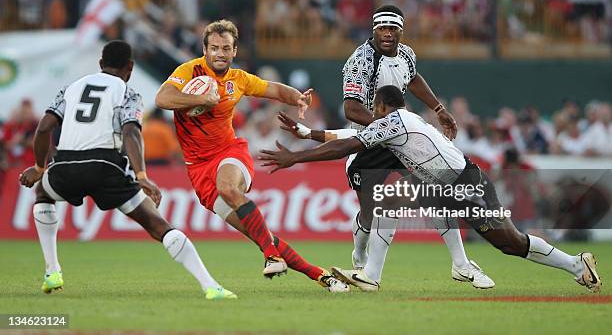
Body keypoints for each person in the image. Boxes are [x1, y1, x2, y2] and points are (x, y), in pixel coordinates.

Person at [260, 86, 602, 293]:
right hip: (448, 181)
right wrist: (306, 135)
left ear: (380, 108)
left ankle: (575, 264)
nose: (371, 117)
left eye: (373, 111)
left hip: (465, 184)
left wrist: (295, 159)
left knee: (510, 243)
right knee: (388, 201)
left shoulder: (395, 122)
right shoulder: (401, 122)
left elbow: (348, 145)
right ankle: (372, 275)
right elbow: (348, 137)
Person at [18, 40, 236, 300]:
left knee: (43, 193)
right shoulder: (127, 92)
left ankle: (52, 271)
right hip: (105, 166)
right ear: (130, 68)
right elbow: (131, 132)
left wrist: (40, 167)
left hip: (66, 165)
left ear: (101, 64)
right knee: (158, 225)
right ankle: (210, 286)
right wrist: (142, 176)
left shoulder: (72, 88)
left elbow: (43, 128)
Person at [154, 19, 348, 292]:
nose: (220, 53)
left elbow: (276, 90)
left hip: (229, 153)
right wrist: (200, 99)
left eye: (226, 48)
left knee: (229, 188)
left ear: (234, 52)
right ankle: (320, 275)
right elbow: (162, 98)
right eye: (214, 48)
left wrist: (297, 99)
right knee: (259, 235)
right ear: (205, 50)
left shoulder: (239, 79)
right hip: (198, 170)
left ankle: (271, 256)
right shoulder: (189, 71)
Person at [339, 4, 493, 289]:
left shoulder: (406, 54)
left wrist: (438, 107)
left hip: (402, 140)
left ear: (400, 31)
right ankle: (359, 256)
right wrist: (384, 124)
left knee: (434, 193)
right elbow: (350, 108)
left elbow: (413, 78)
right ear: (374, 30)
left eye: (392, 29)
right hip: (369, 144)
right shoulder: (360, 61)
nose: (387, 34)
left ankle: (461, 263)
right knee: (372, 215)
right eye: (382, 29)